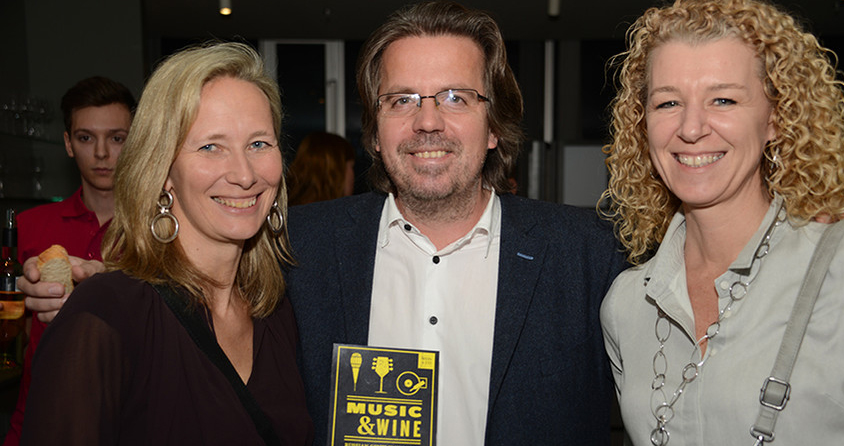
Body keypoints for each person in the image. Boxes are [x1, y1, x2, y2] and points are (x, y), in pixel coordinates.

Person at [285, 2, 626, 444]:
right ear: (375, 131)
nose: (428, 122)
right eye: (402, 100)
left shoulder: (590, 256)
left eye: (455, 98)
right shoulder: (299, 249)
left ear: (493, 127)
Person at [20, 42, 313, 444]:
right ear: (163, 170)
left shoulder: (277, 312)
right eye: (211, 146)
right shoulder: (105, 317)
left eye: (259, 143)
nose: (245, 175)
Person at [599, 0, 844, 444]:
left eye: (723, 100)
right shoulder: (627, 305)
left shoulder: (835, 272)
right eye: (668, 102)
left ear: (776, 118)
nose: (691, 128)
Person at [3, 76, 135, 446]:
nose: (102, 153)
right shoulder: (30, 226)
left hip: (132, 421)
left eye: (117, 138)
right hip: (41, 418)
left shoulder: (159, 231)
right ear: (67, 143)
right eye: (86, 138)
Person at [287, 131, 356, 206]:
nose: (353, 174)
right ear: (336, 172)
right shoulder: (336, 211)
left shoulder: (289, 208)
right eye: (351, 166)